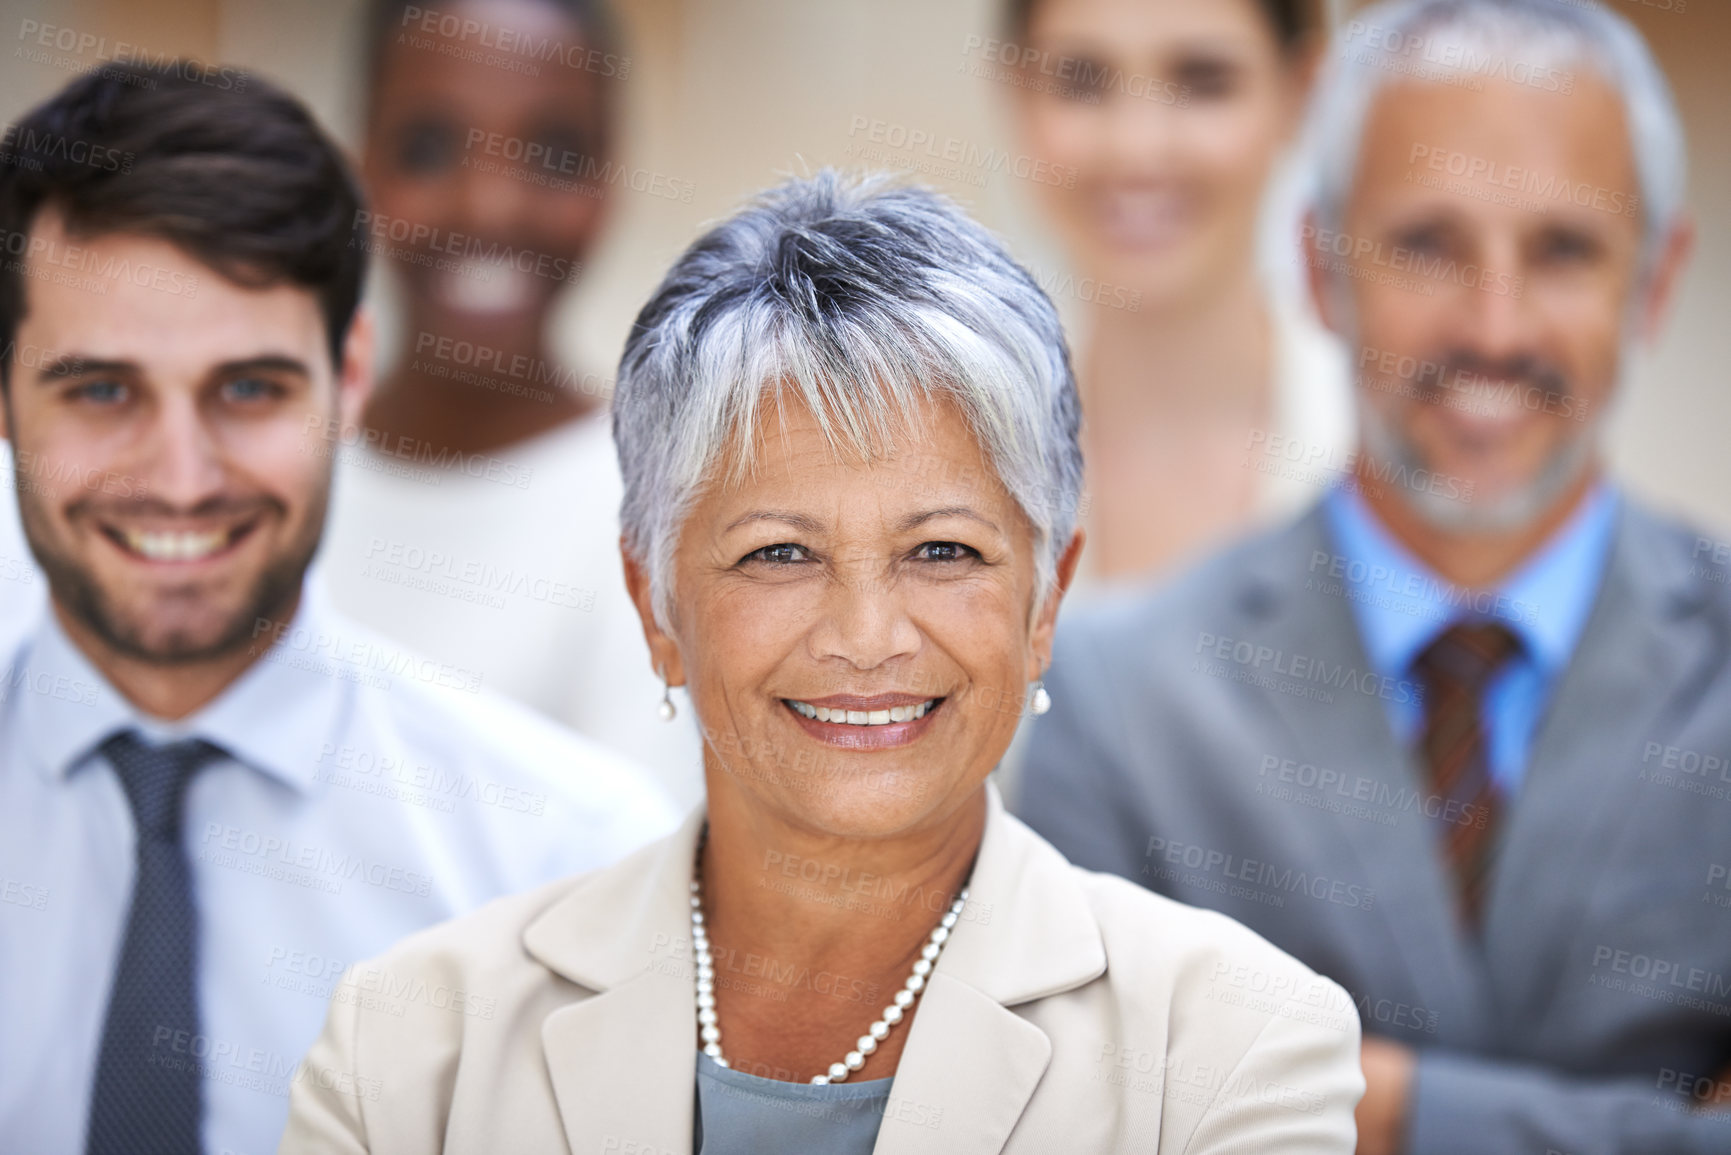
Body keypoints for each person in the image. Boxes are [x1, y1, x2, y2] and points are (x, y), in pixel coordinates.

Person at [279, 171, 1363, 1154]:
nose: (866, 634)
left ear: (1047, 601)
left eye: (943, 551)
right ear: (654, 603)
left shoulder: (1233, 1051)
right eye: (779, 554)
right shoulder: (411, 1052)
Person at [1017, 1, 1731, 1152]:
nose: (1494, 327)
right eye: (1429, 246)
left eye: (1562, 249)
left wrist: (1386, 1109)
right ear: (1320, 268)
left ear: (1655, 280)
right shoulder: (1115, 708)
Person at [0, 64, 676, 1155]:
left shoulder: (568, 871)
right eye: (102, 391)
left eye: (250, 389)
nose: (180, 477)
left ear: (348, 377)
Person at [314, 0, 705, 807]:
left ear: (610, 176)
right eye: (428, 148)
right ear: (360, 170)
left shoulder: (668, 511)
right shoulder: (262, 484)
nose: (489, 207)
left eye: (555, 156)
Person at [1004, 0, 1354, 587]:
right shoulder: (942, 448)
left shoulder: (1386, 450)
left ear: (1304, 93)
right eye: (1083, 81)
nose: (1137, 149)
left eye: (1203, 82)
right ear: (1018, 93)